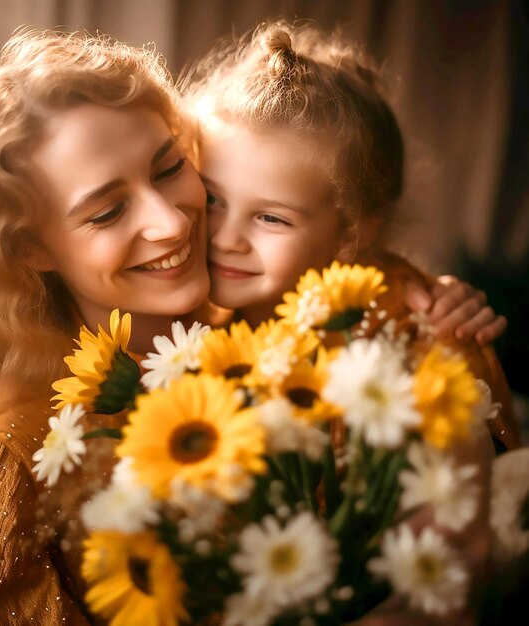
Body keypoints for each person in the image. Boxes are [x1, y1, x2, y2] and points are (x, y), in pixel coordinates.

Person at [0, 24, 509, 626]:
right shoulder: (6, 455)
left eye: (170, 168)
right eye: (108, 210)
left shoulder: (259, 328)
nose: (173, 222)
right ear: (29, 247)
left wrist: (430, 300)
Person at [178, 18, 520, 625]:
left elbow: (451, 553)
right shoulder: (197, 313)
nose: (225, 238)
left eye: (271, 219)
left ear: (350, 236)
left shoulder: (413, 326)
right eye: (212, 198)